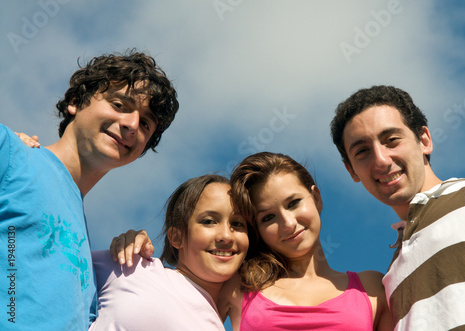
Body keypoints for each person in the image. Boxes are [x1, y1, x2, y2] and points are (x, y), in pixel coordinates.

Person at [0, 50, 179, 330]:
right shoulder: (10, 150)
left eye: (145, 123)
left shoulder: (85, 246)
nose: (131, 125)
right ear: (75, 102)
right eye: (120, 104)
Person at [330, 85, 465, 329]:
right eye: (363, 151)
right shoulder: (387, 280)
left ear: (424, 140)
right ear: (351, 171)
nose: (380, 160)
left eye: (391, 140)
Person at [219, 151, 393, 330]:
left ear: (316, 198)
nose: (288, 224)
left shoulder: (371, 288)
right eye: (268, 217)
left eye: (293, 203)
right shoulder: (238, 287)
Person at [89, 174, 249, 330]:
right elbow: (66, 259)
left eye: (238, 223)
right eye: (208, 221)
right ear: (176, 237)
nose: (226, 236)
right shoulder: (130, 265)